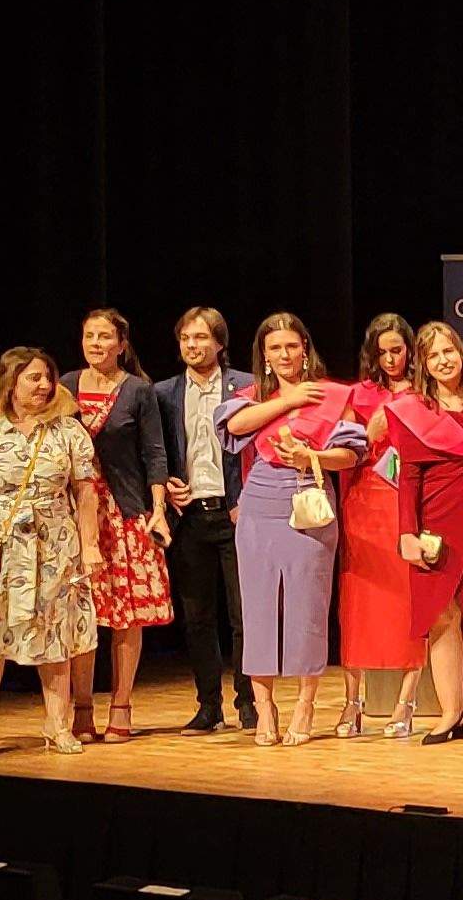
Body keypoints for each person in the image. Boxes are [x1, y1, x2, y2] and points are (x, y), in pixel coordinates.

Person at [0, 346, 106, 756]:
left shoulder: (67, 432)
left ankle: (57, 726)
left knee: (56, 635)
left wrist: (90, 545)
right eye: (34, 378)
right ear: (10, 382)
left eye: (48, 377)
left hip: (54, 544)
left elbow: (85, 493)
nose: (45, 386)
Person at [227, 313, 361, 747]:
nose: (284, 355)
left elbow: (352, 455)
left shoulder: (335, 395)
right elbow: (235, 427)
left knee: (308, 607)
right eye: (274, 349)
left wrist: (310, 457)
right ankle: (266, 711)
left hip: (311, 502)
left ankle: (305, 706)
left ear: (305, 347)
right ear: (263, 357)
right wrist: (288, 400)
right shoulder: (249, 398)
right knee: (259, 610)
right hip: (259, 507)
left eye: (291, 346)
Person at [384, 320, 463, 745]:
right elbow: (409, 478)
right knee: (441, 617)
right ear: (423, 363)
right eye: (434, 355)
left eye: (449, 351)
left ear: (461, 353)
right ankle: (449, 711)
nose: (443, 360)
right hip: (434, 521)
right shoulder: (413, 411)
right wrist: (407, 533)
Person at [68, 309, 169, 742]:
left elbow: (154, 454)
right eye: (89, 335)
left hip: (124, 514)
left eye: (105, 336)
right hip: (74, 516)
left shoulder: (138, 391)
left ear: (121, 344)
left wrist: (158, 508)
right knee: (80, 614)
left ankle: (122, 704)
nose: (96, 344)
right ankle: (82, 707)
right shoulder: (65, 386)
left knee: (126, 616)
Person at [154, 307, 256, 733]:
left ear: (219, 342)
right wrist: (165, 484)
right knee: (197, 617)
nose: (192, 346)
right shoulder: (162, 393)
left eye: (200, 338)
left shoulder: (246, 386)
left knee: (242, 615)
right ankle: (208, 705)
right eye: (185, 338)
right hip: (189, 516)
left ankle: (249, 701)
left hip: (235, 512)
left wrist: (245, 497)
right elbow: (154, 451)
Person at [341, 314, 426, 738]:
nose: (391, 359)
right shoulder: (360, 394)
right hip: (364, 501)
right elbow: (344, 453)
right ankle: (351, 703)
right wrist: (370, 433)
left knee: (409, 603)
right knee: (358, 603)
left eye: (397, 350)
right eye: (383, 352)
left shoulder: (424, 393)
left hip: (408, 504)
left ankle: (405, 704)